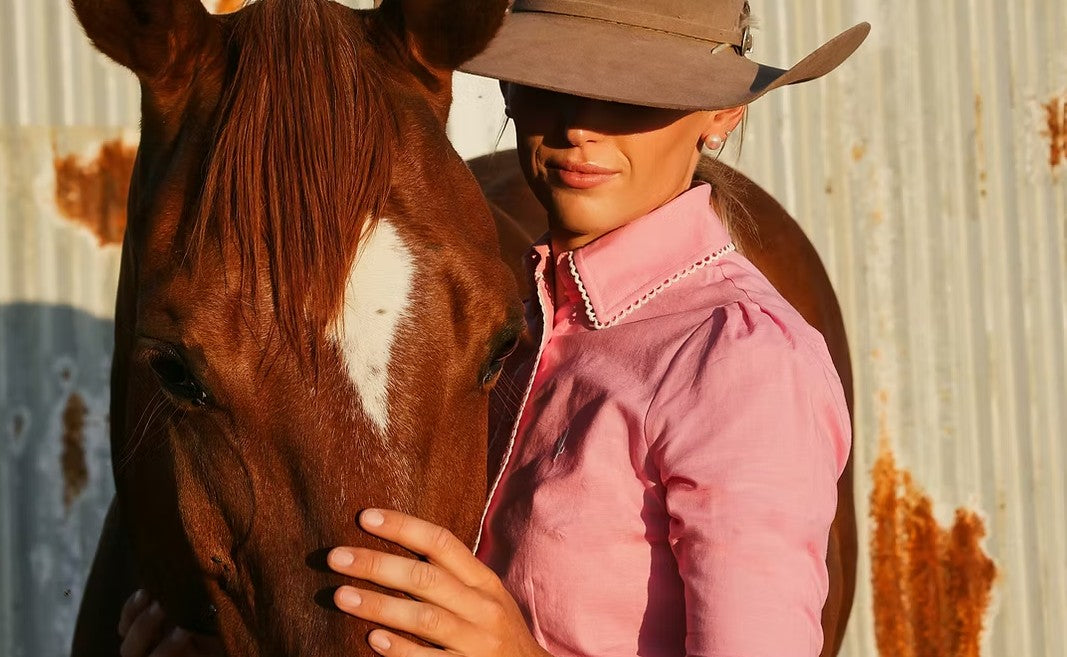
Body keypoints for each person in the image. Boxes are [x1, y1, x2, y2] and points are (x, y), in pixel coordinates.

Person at [117, 1, 869, 656]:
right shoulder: (497, 317)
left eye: (641, 95)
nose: (579, 125)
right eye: (550, 80)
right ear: (509, 87)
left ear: (722, 114)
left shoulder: (741, 365)